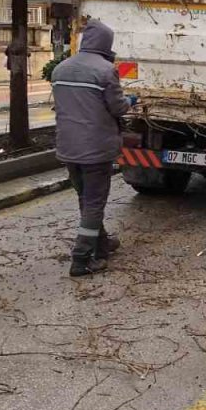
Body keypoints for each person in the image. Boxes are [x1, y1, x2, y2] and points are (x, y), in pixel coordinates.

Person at [51, 20, 130, 277]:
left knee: (86, 198)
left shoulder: (60, 69)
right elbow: (117, 108)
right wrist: (131, 100)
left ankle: (102, 243)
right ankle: (81, 259)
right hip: (96, 148)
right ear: (106, 43)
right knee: (95, 202)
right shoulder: (105, 71)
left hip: (68, 145)